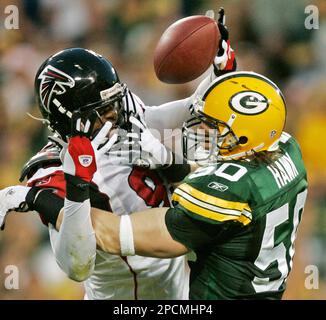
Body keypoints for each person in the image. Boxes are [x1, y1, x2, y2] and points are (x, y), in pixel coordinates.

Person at [0, 9, 237, 299]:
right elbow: (77, 266)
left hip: (176, 291)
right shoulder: (52, 171)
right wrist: (76, 184)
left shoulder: (120, 118)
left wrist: (221, 77)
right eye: (104, 109)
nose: (117, 111)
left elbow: (190, 113)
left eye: (115, 100)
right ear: (69, 118)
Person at [56, 70, 308, 300]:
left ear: (243, 136)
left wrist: (44, 199)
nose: (202, 132)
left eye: (214, 127)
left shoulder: (222, 193)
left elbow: (114, 236)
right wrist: (168, 163)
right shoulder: (286, 149)